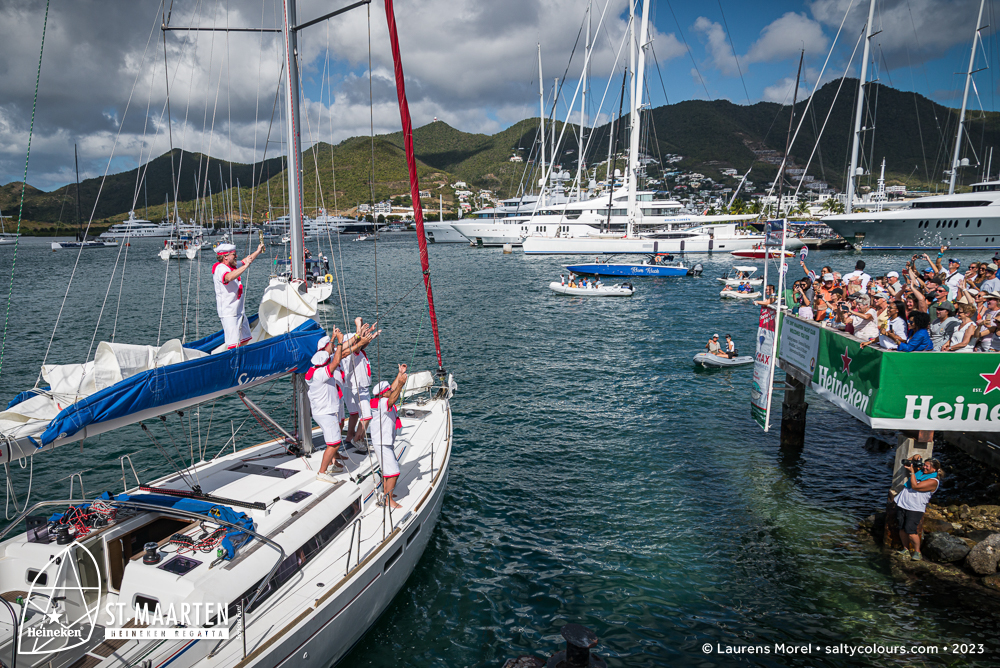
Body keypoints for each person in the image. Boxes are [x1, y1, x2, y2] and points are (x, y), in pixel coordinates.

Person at [306, 327, 376, 481]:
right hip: (326, 410)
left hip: (329, 406)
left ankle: (333, 460)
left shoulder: (315, 369)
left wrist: (353, 337)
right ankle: (323, 472)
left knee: (335, 436)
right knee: (334, 442)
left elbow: (341, 350)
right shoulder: (322, 372)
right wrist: (345, 341)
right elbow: (340, 356)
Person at [368, 364, 409, 509]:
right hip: (382, 443)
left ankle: (387, 494)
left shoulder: (379, 400)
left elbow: (391, 389)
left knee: (387, 471)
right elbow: (393, 398)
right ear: (383, 394)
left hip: (382, 441)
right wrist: (401, 385)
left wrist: (399, 374)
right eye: (388, 390)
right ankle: (388, 500)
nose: (390, 390)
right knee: (394, 472)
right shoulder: (383, 403)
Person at [212, 242, 265, 349]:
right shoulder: (220, 268)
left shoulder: (232, 265)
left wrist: (258, 251)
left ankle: (242, 357)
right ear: (225, 257)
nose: (236, 256)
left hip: (238, 311)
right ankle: (234, 359)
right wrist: (246, 266)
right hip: (229, 313)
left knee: (245, 338)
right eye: (233, 254)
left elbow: (246, 260)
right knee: (233, 344)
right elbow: (229, 277)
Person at [342, 317, 382, 448]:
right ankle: (358, 439)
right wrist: (358, 325)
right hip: (359, 387)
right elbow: (359, 344)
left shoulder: (349, 353)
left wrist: (371, 334)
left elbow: (361, 343)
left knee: (354, 413)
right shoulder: (355, 352)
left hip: (349, 386)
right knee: (367, 416)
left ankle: (349, 436)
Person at [895, 458, 943, 561]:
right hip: (902, 503)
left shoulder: (933, 481)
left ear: (934, 469)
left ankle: (917, 552)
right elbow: (915, 457)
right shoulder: (920, 472)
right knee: (902, 528)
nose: (924, 467)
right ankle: (905, 549)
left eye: (927, 466)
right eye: (924, 465)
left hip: (915, 508)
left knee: (911, 531)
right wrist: (914, 458)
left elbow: (915, 486)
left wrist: (912, 472)